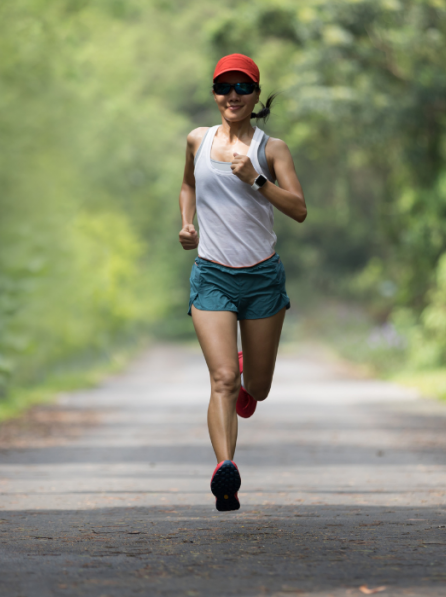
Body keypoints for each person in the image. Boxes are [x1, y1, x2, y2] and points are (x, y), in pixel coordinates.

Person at [177, 54, 307, 512]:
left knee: (259, 386)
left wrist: (256, 180)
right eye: (222, 86)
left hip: (262, 278)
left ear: (255, 95)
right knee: (223, 379)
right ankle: (224, 471)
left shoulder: (273, 149)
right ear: (214, 93)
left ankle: (247, 369)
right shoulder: (197, 140)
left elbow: (298, 209)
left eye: (242, 87)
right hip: (212, 274)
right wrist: (187, 224)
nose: (232, 95)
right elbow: (188, 185)